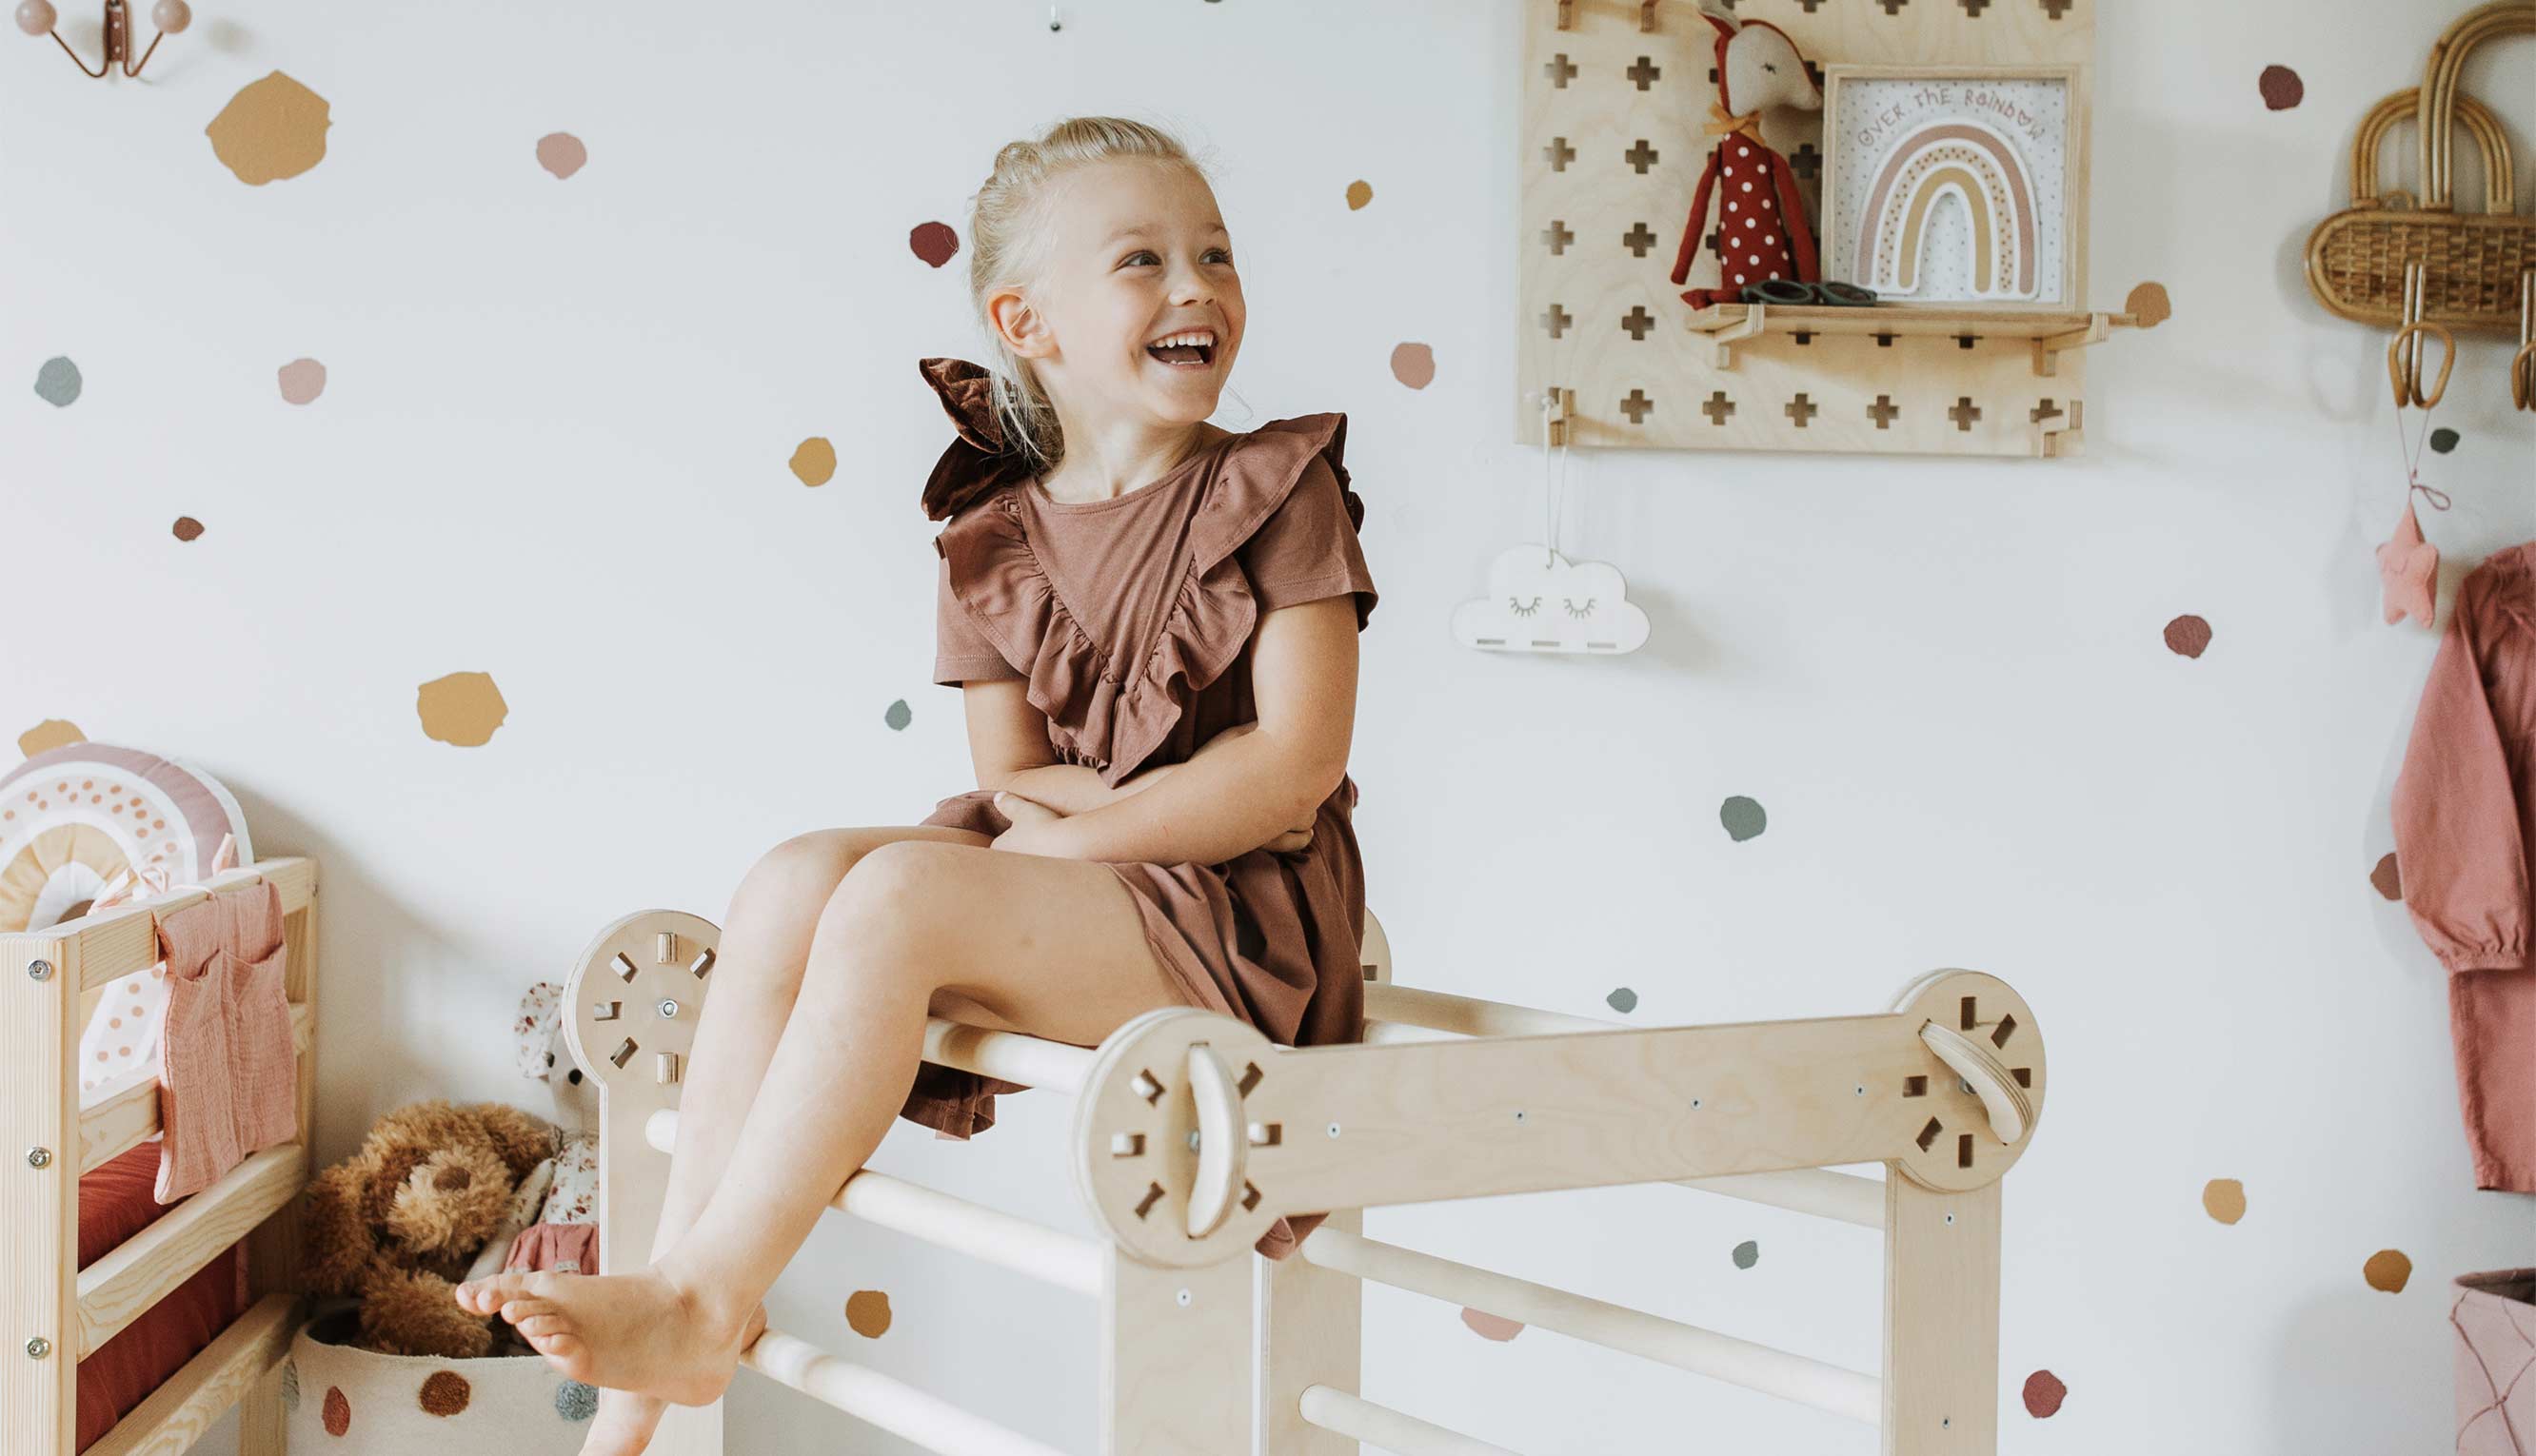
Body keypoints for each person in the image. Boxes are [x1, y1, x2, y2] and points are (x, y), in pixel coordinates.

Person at [454, 114, 1379, 1456]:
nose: (1199, 288)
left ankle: (709, 1301)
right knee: (790, 878)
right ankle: (646, 1375)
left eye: (1216, 254)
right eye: (1144, 259)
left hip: (1241, 913)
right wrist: (1066, 828)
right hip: (1100, 881)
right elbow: (1008, 776)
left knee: (894, 899)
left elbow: (1290, 771)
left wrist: (1078, 835)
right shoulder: (996, 530)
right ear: (1029, 319)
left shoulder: (1273, 489)